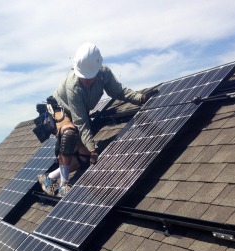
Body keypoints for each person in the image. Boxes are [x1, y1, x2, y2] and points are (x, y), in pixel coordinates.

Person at [38, 42, 155, 197]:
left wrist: (140, 98)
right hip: (60, 110)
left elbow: (118, 92)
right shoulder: (73, 86)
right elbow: (81, 121)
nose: (86, 81)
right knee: (70, 134)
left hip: (77, 113)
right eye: (82, 77)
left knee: (84, 155)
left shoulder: (104, 74)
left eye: (89, 77)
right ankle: (63, 185)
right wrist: (94, 148)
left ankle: (48, 178)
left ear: (98, 69)